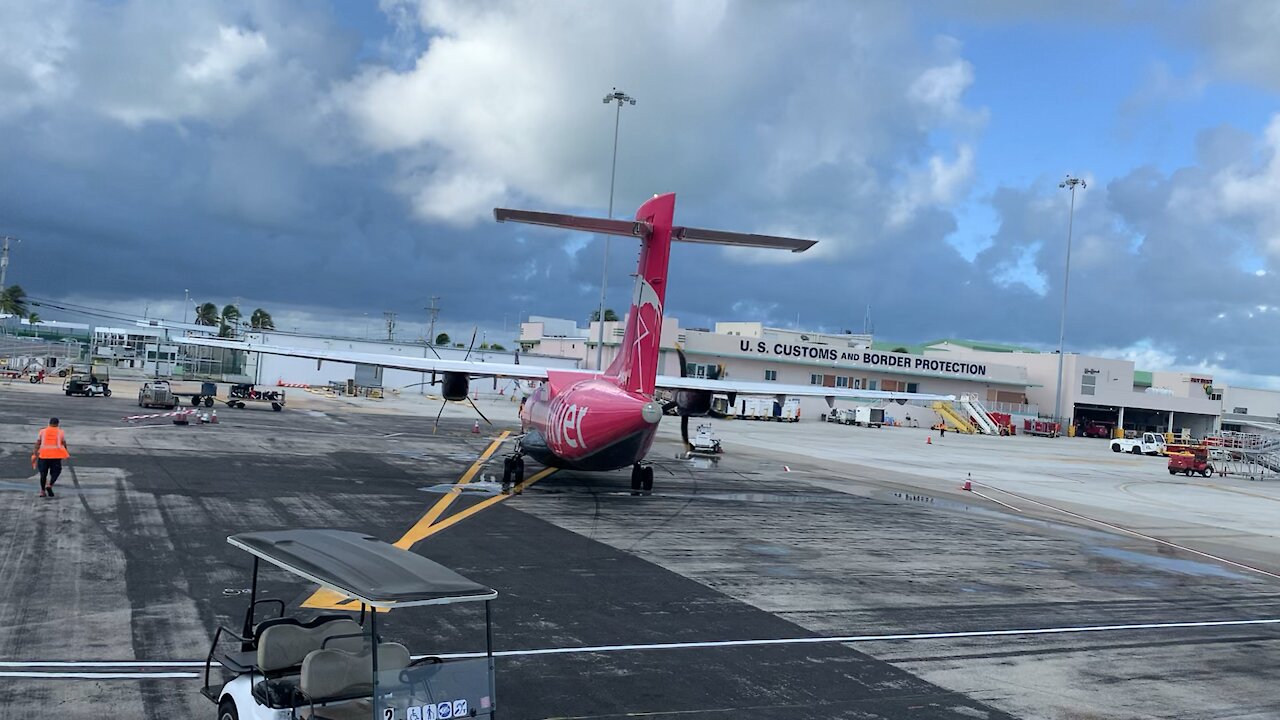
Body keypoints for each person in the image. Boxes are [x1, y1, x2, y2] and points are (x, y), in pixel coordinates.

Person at [32, 417, 70, 498]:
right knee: (56, 472)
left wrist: (35, 453)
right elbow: (64, 444)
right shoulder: (60, 432)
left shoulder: (43, 431)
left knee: (43, 474)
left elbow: (38, 443)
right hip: (56, 456)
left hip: (43, 455)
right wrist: (65, 453)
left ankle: (42, 491)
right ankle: (49, 485)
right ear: (57, 424)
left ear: (49, 423)